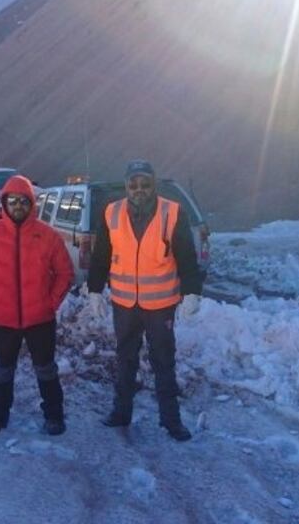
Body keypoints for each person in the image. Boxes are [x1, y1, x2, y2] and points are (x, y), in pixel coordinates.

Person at [87, 160, 203, 441]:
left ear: (154, 184)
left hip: (160, 306)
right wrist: (94, 289)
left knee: (163, 362)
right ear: (126, 185)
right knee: (125, 359)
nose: (139, 189)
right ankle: (121, 413)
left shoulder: (173, 213)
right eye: (133, 184)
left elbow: (187, 257)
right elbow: (100, 255)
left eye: (145, 183)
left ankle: (171, 421)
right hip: (124, 305)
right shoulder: (111, 213)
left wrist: (192, 292)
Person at [0, 175, 74, 437]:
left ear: (31, 204)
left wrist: (50, 303)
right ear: (4, 203)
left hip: (40, 318)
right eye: (12, 201)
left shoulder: (47, 235)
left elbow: (64, 273)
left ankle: (54, 416)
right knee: (2, 370)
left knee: (46, 369)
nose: (18, 206)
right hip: (4, 320)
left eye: (23, 201)